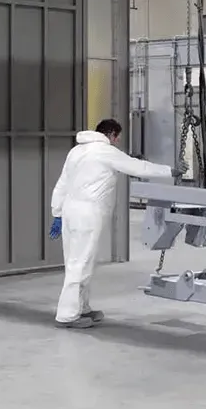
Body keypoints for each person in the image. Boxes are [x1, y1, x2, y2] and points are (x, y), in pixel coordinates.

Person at [48, 118, 177, 329]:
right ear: (112, 135)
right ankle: (68, 315)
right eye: (118, 138)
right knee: (80, 264)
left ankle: (82, 307)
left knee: (79, 261)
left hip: (70, 211)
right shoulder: (104, 151)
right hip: (88, 214)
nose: (117, 142)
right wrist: (169, 171)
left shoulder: (76, 151)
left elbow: (62, 183)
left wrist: (57, 212)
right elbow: (138, 167)